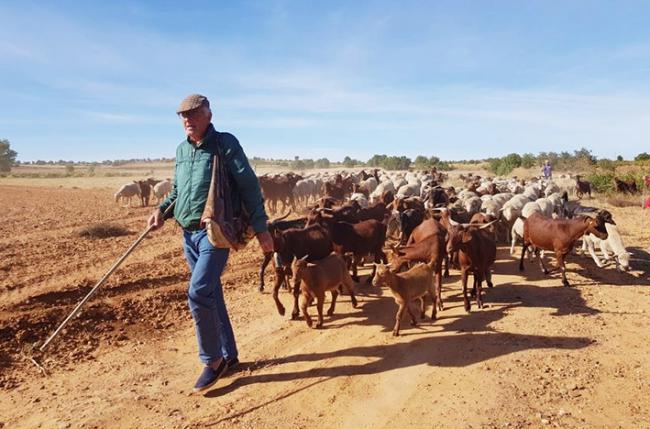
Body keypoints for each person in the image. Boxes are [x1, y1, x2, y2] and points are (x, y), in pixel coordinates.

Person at [147, 94, 273, 392]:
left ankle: (212, 361)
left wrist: (262, 227)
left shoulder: (224, 144)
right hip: (187, 233)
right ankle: (229, 357)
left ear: (208, 114)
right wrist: (161, 212)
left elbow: (249, 186)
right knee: (211, 293)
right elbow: (178, 191)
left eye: (194, 113)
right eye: (183, 116)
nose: (188, 120)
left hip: (214, 232)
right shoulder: (181, 150)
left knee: (199, 292)